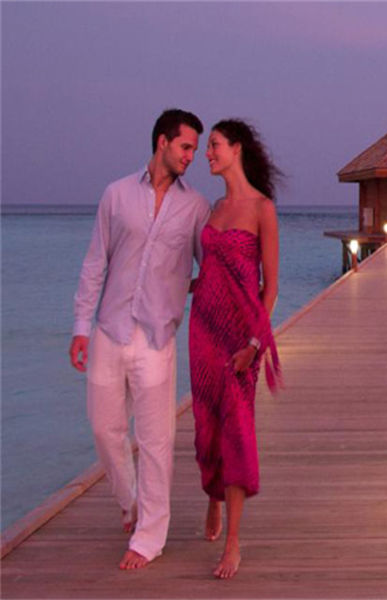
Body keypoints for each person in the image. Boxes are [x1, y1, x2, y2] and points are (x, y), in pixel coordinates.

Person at [69, 109, 210, 570]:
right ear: (162, 142)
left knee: (155, 441)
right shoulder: (116, 194)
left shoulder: (195, 207)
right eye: (186, 146)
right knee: (104, 429)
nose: (191, 156)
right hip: (109, 330)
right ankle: (129, 501)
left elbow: (208, 263)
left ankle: (149, 537)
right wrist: (80, 326)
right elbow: (96, 262)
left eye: (195, 149)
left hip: (156, 338)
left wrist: (193, 289)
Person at [190, 119, 282, 579]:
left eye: (214, 146)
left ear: (237, 149)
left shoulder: (262, 208)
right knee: (206, 426)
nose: (207, 154)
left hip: (241, 337)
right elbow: (211, 270)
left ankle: (233, 541)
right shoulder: (214, 208)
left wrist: (254, 344)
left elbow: (271, 288)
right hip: (202, 330)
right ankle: (214, 496)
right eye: (207, 147)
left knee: (237, 430)